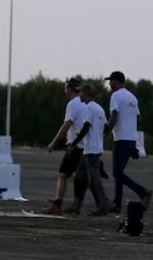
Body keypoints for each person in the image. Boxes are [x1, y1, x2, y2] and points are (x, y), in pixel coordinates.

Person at [104, 70, 152, 213]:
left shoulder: (116, 96)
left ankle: (143, 192)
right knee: (120, 172)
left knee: (117, 173)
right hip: (131, 139)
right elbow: (138, 118)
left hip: (121, 139)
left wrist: (106, 131)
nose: (109, 84)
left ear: (116, 81)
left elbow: (114, 115)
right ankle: (117, 203)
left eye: (111, 81)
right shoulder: (132, 97)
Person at [42, 77, 86, 215]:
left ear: (70, 89)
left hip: (75, 146)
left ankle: (58, 204)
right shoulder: (87, 103)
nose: (64, 91)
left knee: (63, 174)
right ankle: (76, 204)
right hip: (87, 145)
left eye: (65, 88)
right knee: (82, 176)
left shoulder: (73, 104)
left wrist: (54, 142)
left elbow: (66, 125)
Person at [64, 84, 109, 216]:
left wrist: (74, 143)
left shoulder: (89, 108)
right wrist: (99, 137)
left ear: (87, 93)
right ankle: (76, 205)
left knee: (93, 180)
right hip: (94, 148)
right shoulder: (99, 108)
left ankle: (102, 206)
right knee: (80, 176)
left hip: (91, 150)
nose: (80, 95)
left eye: (81, 92)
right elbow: (106, 127)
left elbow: (85, 127)